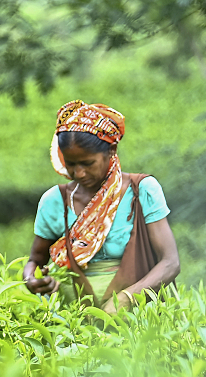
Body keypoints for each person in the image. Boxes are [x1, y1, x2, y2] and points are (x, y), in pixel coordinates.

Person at [23, 100, 180, 313]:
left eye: (87, 163)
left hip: (138, 318)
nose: (78, 173)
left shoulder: (141, 190)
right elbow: (35, 261)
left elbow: (170, 262)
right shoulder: (55, 200)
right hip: (72, 319)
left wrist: (126, 299)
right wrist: (32, 279)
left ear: (112, 150)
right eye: (70, 163)